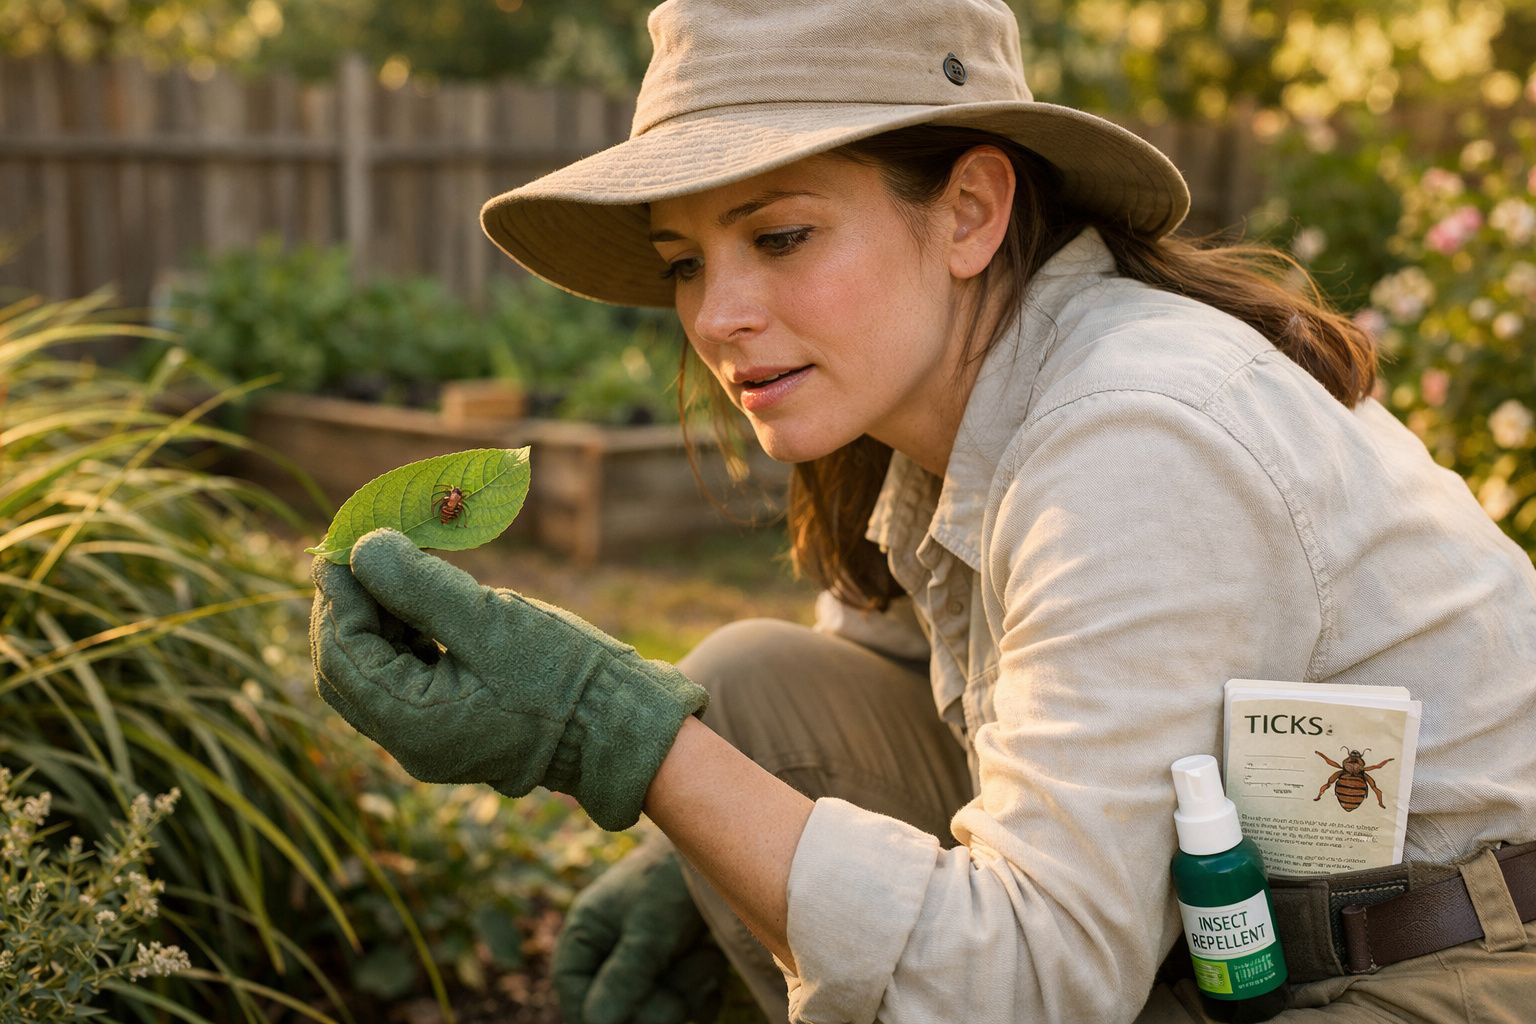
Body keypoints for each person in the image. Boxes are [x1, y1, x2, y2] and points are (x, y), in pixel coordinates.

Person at [308, 1, 1536, 1021]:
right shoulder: (938, 404)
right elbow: (835, 707)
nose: (718, 314)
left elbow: (1035, 982)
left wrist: (610, 734)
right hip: (1244, 926)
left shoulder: (1136, 430)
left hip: (1447, 960)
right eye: (685, 260)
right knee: (744, 692)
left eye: (780, 236)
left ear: (969, 212)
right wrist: (700, 860)